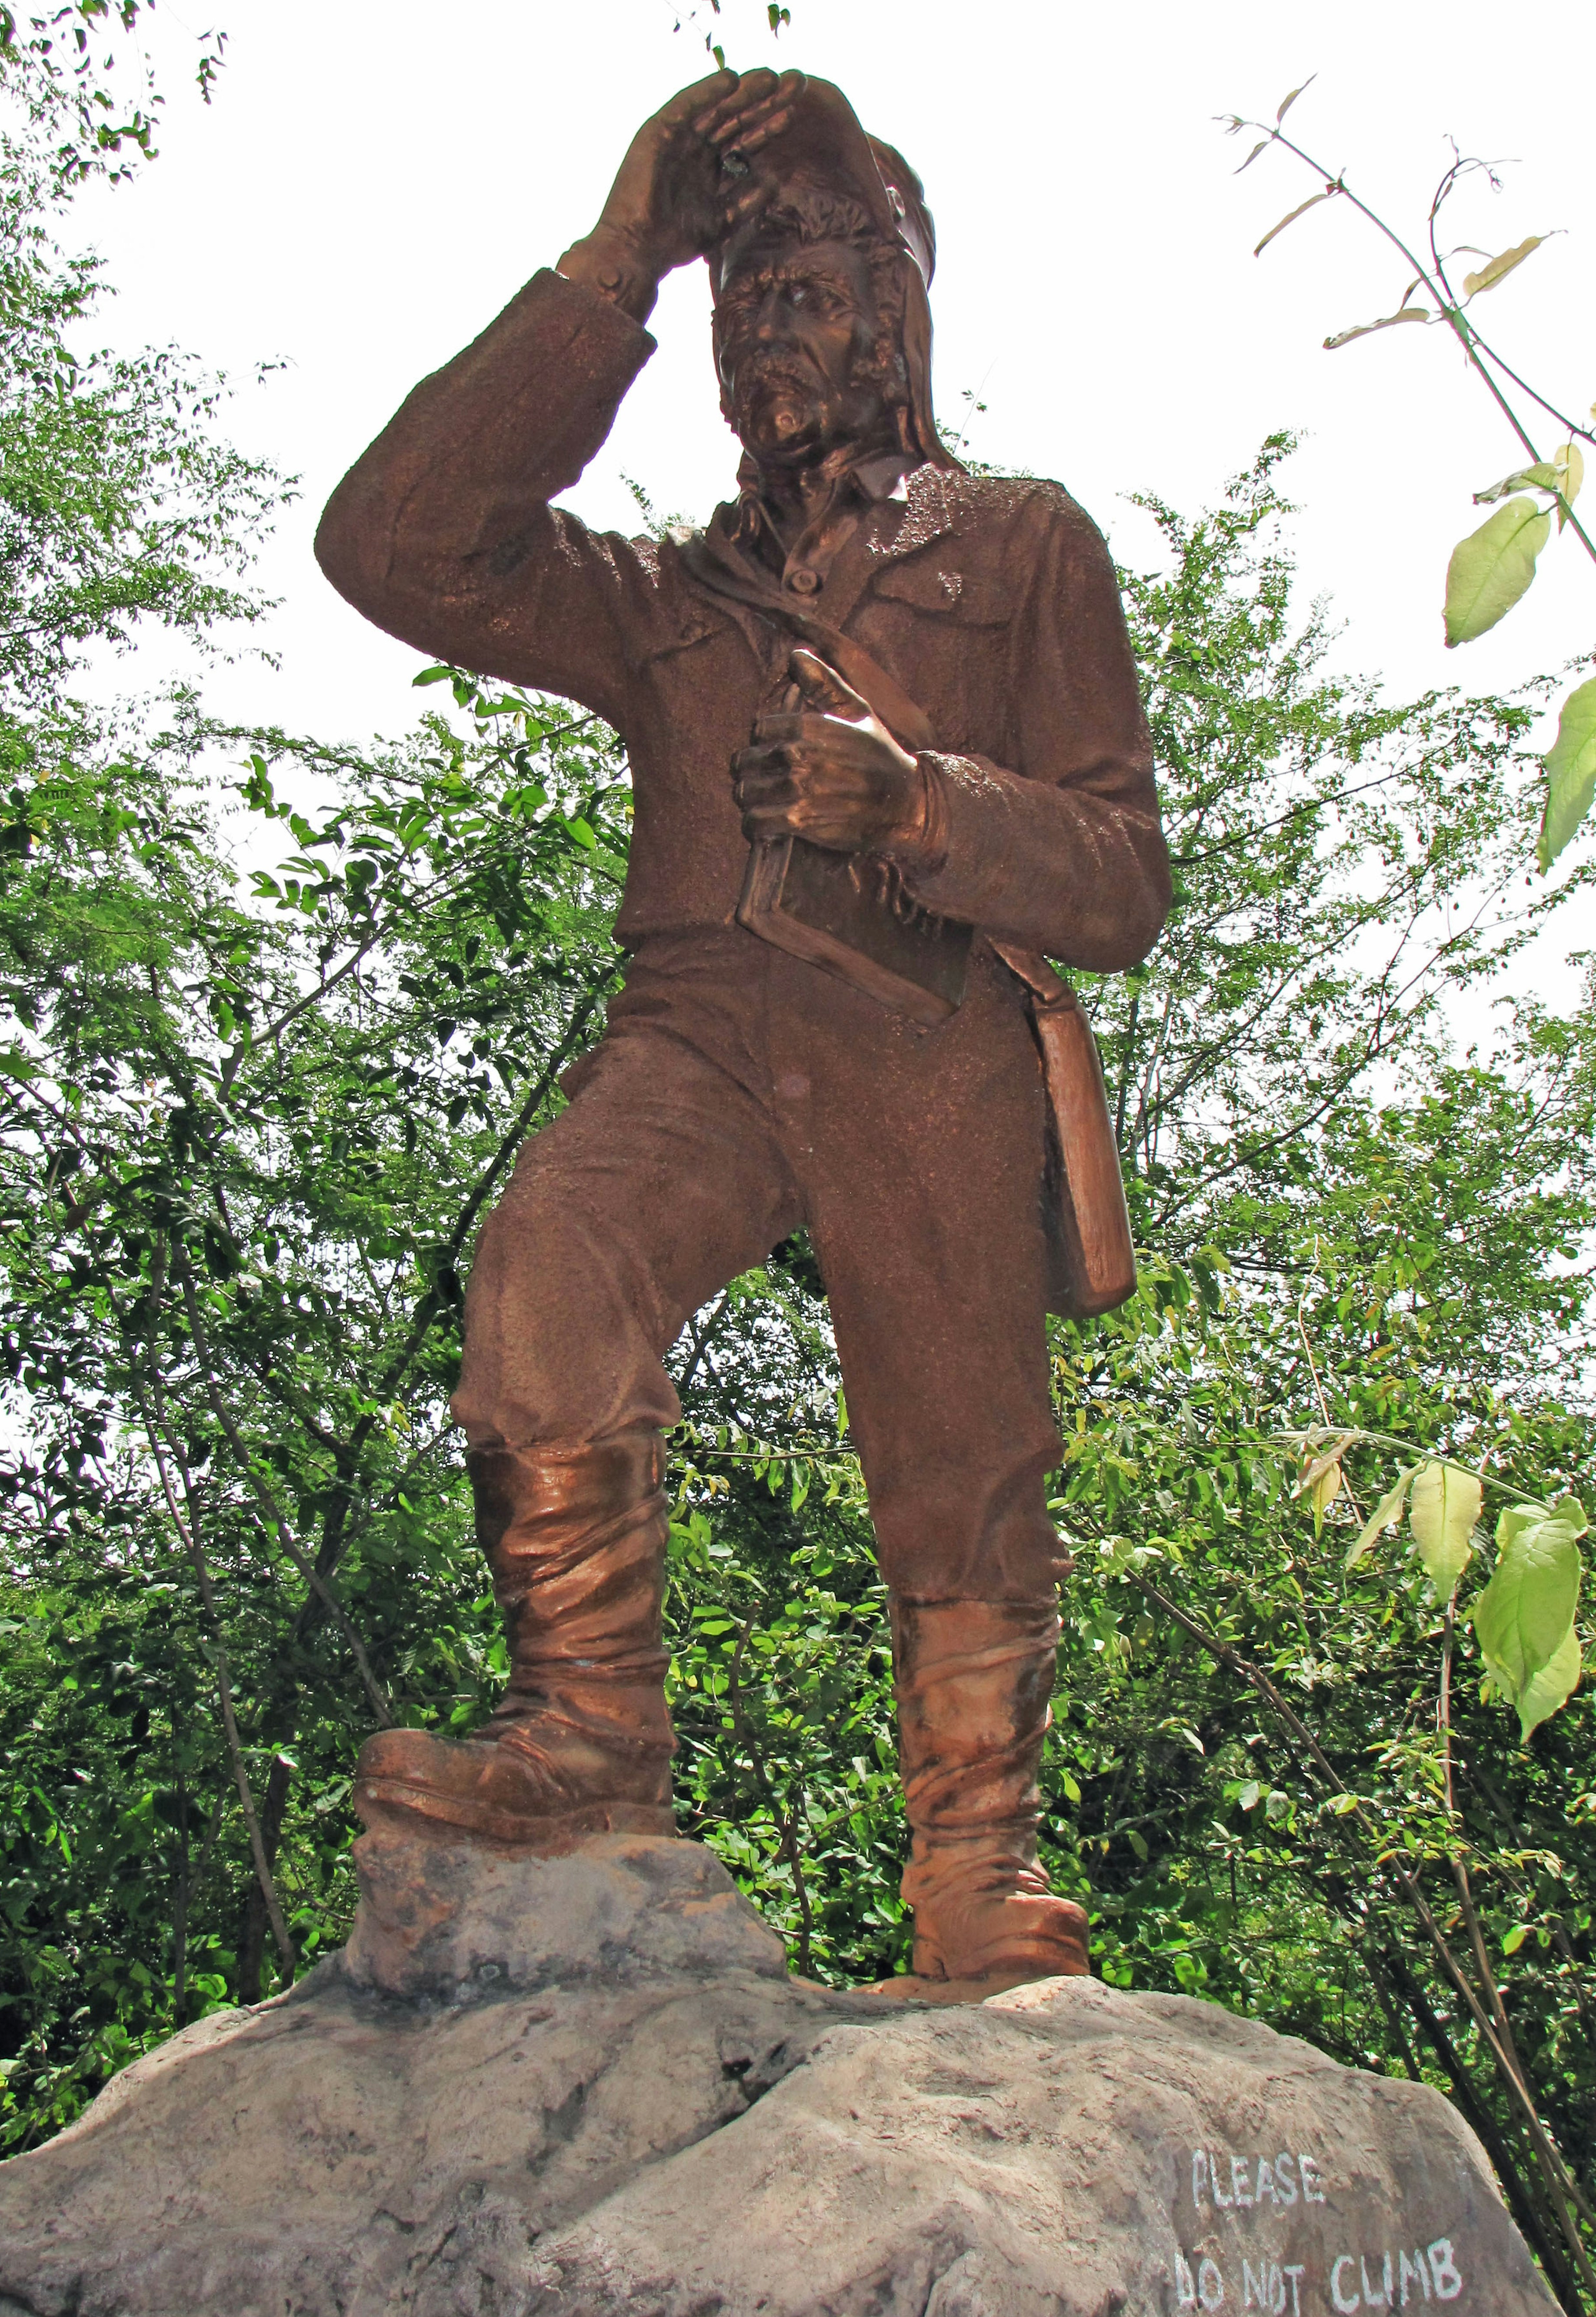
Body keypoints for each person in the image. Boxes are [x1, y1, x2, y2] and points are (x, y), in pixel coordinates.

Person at [316, 69, 1169, 1992]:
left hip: (920, 1029)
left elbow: (1122, 876)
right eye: (737, 275)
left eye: (814, 264)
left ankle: (973, 1873)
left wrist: (925, 806)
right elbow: (393, 543)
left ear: (904, 301)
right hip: (700, 1032)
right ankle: (589, 1735)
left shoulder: (1024, 544)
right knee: (554, 1251)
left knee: (961, 1455)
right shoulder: (657, 598)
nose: (766, 305)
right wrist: (619, 255)